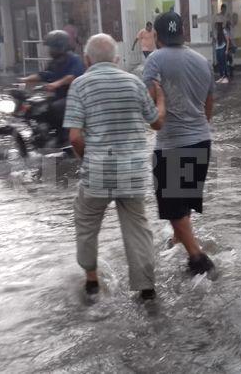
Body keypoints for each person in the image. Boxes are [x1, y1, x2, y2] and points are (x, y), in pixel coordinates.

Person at [64, 33, 166, 300]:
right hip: (132, 172)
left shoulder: (79, 85)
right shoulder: (133, 82)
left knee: (86, 223)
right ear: (117, 59)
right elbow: (156, 122)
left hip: (97, 172)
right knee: (138, 228)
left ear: (87, 60)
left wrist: (88, 158)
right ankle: (146, 288)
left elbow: (74, 136)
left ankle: (92, 282)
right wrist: (162, 100)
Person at [143, 11, 216, 276]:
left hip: (172, 146)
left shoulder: (154, 60)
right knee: (183, 202)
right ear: (182, 32)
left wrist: (161, 104)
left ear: (157, 36)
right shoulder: (202, 60)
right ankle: (178, 240)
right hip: (201, 141)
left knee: (174, 209)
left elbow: (152, 116)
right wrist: (198, 127)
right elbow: (209, 105)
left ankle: (198, 259)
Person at [20, 30, 85, 145]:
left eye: (52, 47)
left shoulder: (75, 59)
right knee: (38, 107)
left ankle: (65, 138)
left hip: (75, 98)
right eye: (50, 47)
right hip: (59, 96)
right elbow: (43, 74)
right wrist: (25, 79)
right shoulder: (54, 62)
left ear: (61, 46)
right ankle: (44, 134)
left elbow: (72, 76)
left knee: (56, 107)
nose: (50, 50)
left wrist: (57, 84)